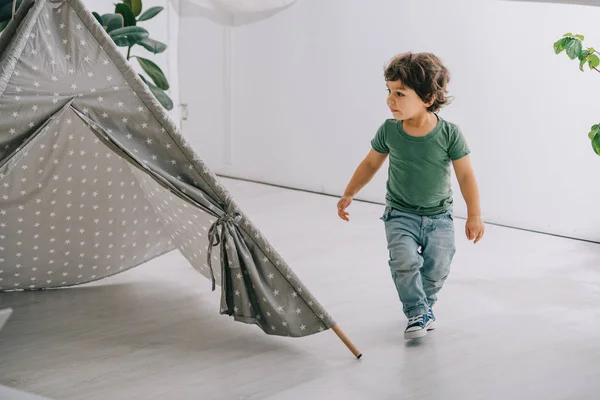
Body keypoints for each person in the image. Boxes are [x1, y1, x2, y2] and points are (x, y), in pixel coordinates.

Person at [337, 52, 485, 340]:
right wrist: (349, 193)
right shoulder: (389, 131)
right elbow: (370, 164)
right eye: (389, 91)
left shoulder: (450, 134)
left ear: (428, 98)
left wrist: (474, 215)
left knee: (437, 268)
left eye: (400, 93)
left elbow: (466, 175)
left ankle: (425, 305)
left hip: (439, 216)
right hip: (399, 214)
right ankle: (417, 311)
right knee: (403, 262)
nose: (390, 99)